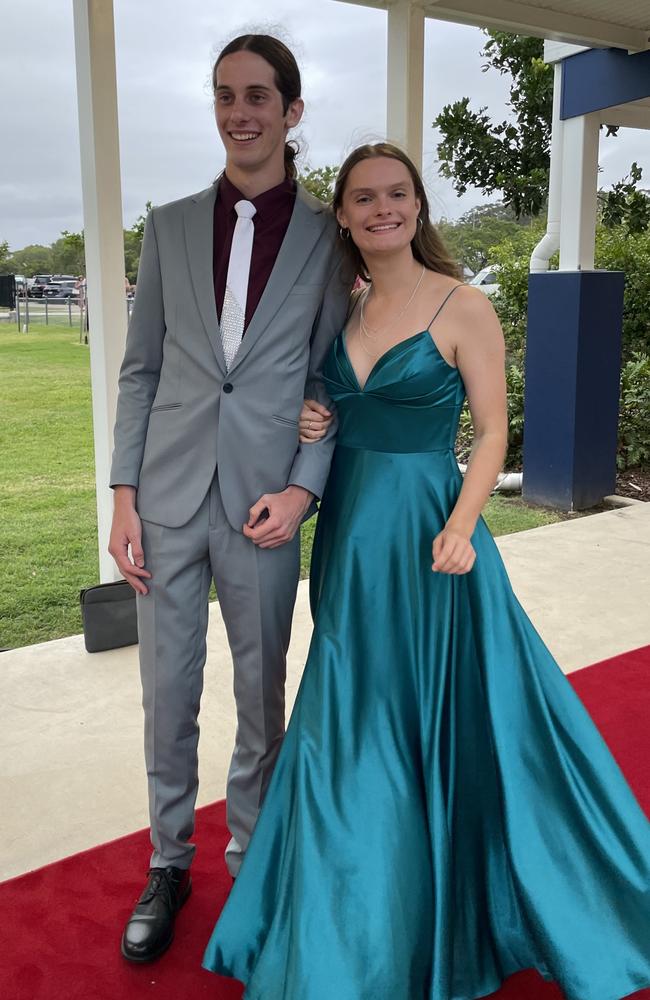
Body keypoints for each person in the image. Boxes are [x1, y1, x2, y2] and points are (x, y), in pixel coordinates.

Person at [203, 143, 650, 1000]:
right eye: (364, 198)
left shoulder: (463, 304)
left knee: (456, 718)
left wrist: (463, 523)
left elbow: (490, 432)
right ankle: (348, 918)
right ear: (343, 214)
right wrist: (315, 415)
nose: (382, 209)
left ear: (419, 205)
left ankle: (451, 905)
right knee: (345, 715)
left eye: (397, 194)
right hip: (349, 541)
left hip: (430, 538)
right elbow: (337, 411)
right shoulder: (346, 311)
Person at [108, 34, 350, 963]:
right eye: (224, 96)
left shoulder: (331, 237)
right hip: (165, 502)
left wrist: (302, 490)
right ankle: (170, 861)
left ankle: (252, 854)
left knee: (261, 693)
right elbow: (139, 372)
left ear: (292, 111)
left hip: (264, 508)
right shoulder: (167, 226)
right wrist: (124, 495)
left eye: (257, 96)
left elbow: (332, 381)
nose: (238, 112)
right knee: (167, 694)